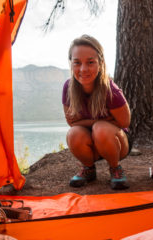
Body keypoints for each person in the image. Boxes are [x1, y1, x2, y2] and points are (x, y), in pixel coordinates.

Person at [62, 35, 132, 190]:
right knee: (74, 133)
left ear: (100, 63)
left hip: (117, 143)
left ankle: (115, 169)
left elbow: (124, 123)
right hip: (91, 141)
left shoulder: (109, 89)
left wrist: (95, 124)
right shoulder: (68, 87)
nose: (83, 69)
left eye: (90, 62)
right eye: (77, 63)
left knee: (101, 129)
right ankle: (88, 169)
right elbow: (71, 123)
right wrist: (97, 122)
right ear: (71, 64)